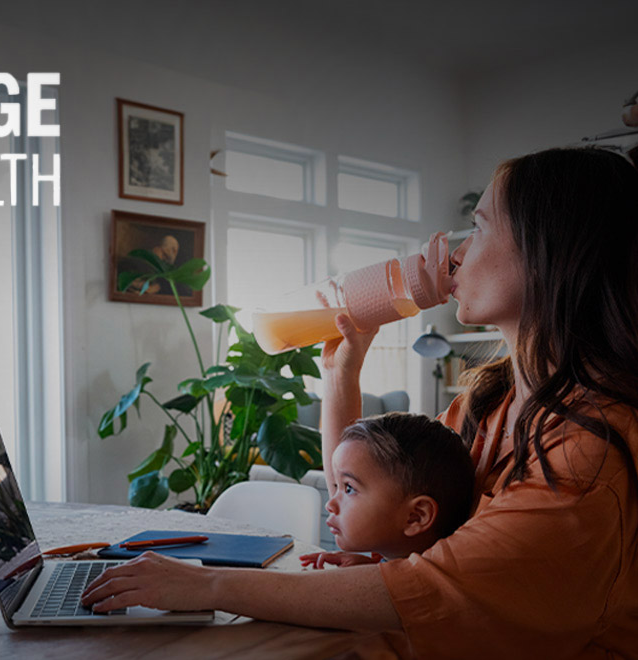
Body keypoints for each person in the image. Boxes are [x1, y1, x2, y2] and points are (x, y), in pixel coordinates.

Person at [81, 147, 638, 658]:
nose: (458, 254)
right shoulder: (492, 399)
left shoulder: (591, 452)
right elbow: (370, 484)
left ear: (549, 253)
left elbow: (432, 588)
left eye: (478, 227)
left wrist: (205, 583)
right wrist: (342, 374)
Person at [298, 413, 474, 569]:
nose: (330, 504)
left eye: (349, 488)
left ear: (416, 516)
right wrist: (371, 567)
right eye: (337, 487)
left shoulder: (421, 598)